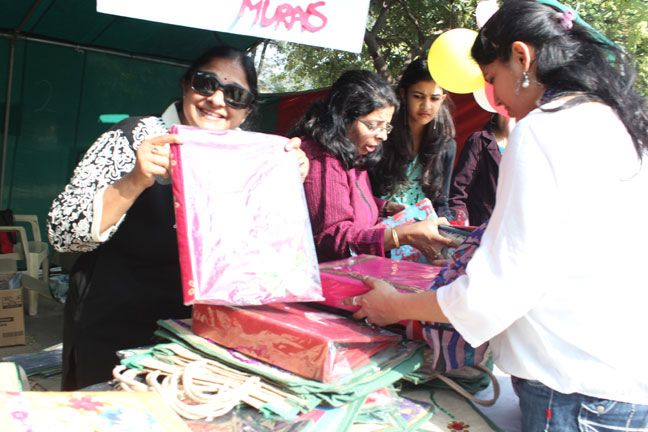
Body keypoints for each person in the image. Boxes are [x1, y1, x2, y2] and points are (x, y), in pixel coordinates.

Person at [345, 1, 648, 430]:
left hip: (571, 391)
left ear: (521, 58)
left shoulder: (543, 127)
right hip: (616, 382)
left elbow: (494, 292)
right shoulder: (616, 120)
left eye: (491, 79)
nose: (495, 98)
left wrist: (395, 306)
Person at [48, 45, 309, 390]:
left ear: (247, 110)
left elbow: (264, 257)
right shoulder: (132, 137)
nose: (217, 100)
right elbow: (63, 234)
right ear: (186, 85)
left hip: (200, 339)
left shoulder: (251, 158)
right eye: (206, 83)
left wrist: (286, 184)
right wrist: (135, 180)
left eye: (235, 95)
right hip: (114, 329)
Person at [289, 69, 456, 263]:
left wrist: (384, 207)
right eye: (373, 125)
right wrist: (404, 235)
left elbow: (349, 201)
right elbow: (333, 238)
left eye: (386, 127)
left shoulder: (354, 153)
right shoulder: (322, 160)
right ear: (343, 116)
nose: (383, 136)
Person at [369, 58, 457, 220]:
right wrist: (386, 208)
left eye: (434, 98)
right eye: (418, 96)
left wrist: (448, 224)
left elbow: (441, 202)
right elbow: (361, 195)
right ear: (404, 94)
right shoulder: (382, 137)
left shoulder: (447, 146)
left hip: (420, 232)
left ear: (443, 99)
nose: (426, 106)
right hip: (380, 229)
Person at [448, 113, 515, 226]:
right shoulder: (479, 141)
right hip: (482, 228)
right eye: (507, 111)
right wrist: (462, 225)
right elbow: (457, 192)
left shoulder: (527, 146)